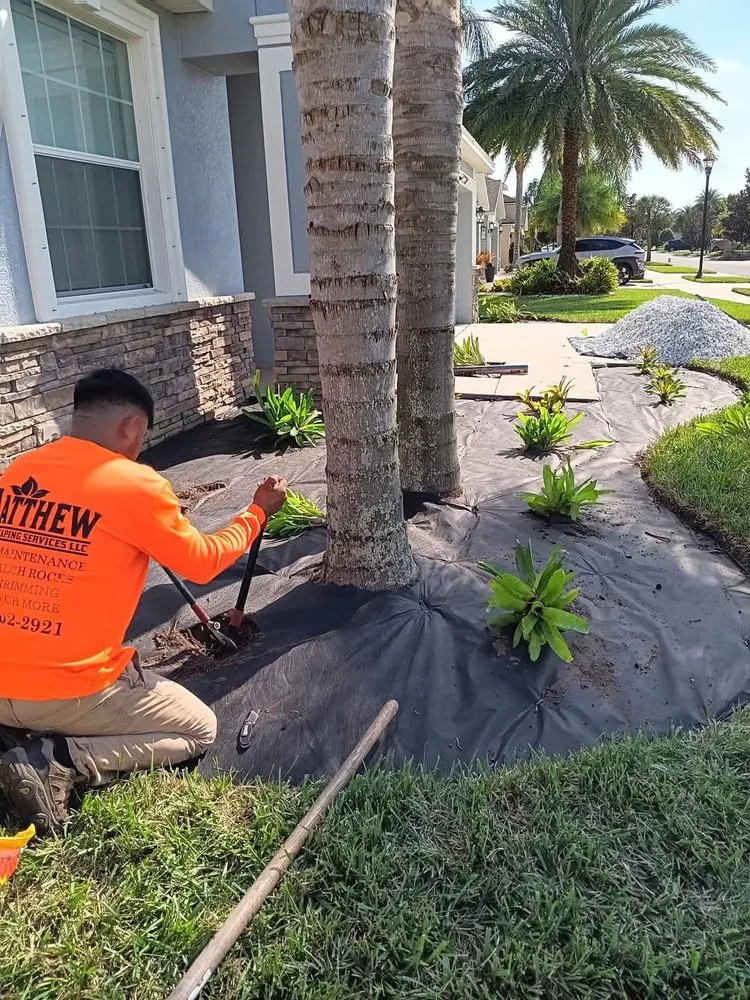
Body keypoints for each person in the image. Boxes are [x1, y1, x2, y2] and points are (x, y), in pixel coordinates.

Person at [0, 369, 287, 834]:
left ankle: (16, 726)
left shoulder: (19, 471)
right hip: (64, 689)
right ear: (132, 425)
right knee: (198, 729)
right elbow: (202, 561)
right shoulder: (135, 484)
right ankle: (59, 760)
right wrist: (258, 512)